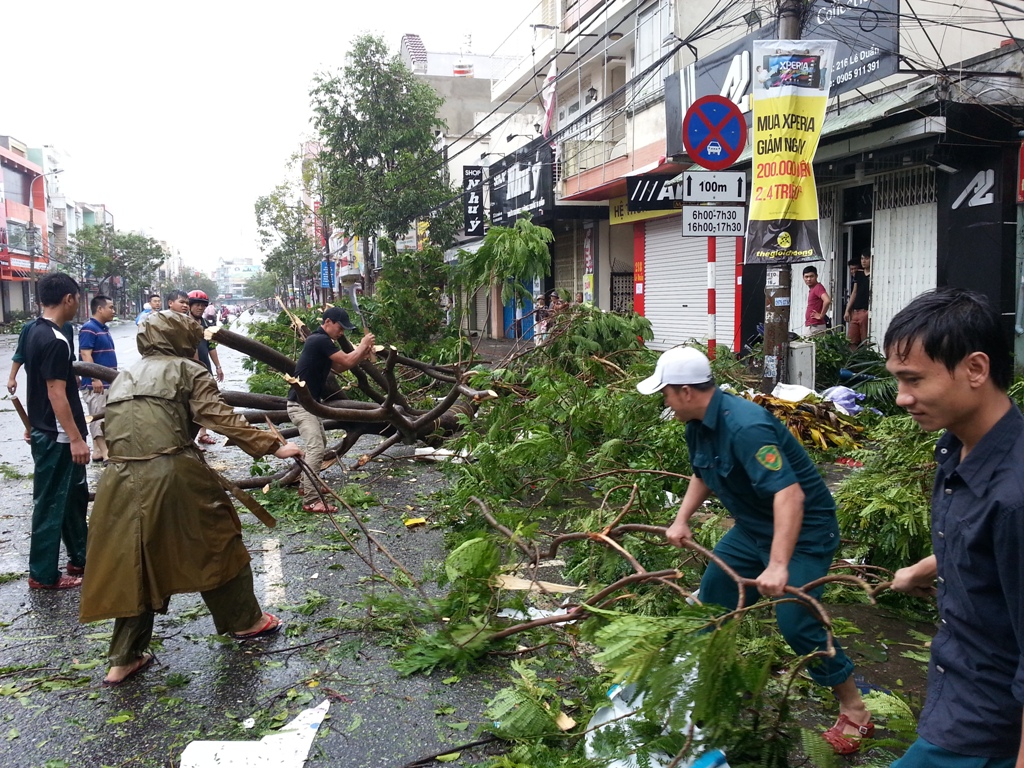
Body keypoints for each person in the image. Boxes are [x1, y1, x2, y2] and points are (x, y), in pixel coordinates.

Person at [637, 346, 872, 754]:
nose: (664, 400)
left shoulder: (746, 427)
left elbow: (790, 497)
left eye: (666, 392)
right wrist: (681, 518)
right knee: (712, 602)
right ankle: (711, 689)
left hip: (804, 534)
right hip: (752, 530)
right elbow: (703, 471)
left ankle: (855, 710)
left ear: (687, 391)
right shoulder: (696, 423)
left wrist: (779, 564)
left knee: (797, 624)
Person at [79, 310, 303, 686]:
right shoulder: (187, 370)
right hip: (172, 471)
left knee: (135, 561)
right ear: (183, 337)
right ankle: (247, 622)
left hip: (118, 479)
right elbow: (219, 416)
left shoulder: (125, 376)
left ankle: (123, 659)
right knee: (217, 542)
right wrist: (274, 445)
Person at [883, 289, 1023, 767]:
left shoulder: (1015, 497)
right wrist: (925, 568)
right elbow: (991, 551)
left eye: (913, 380)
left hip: (984, 730)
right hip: (957, 698)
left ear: (976, 370)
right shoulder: (957, 451)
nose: (902, 398)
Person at [22, 273, 90, 590]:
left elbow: (32, 383)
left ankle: (81, 557)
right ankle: (43, 575)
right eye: (76, 299)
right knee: (50, 503)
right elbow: (54, 393)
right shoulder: (54, 340)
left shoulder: (34, 331)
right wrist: (75, 438)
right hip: (58, 435)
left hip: (46, 428)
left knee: (73, 497)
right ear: (68, 299)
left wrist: (33, 423)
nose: (77, 305)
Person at [286, 307, 375, 513]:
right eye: (340, 327)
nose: (342, 332)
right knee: (316, 447)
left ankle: (305, 486)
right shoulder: (319, 340)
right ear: (327, 322)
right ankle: (310, 500)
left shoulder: (324, 343)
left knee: (320, 443)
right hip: (299, 405)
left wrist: (361, 354)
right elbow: (346, 360)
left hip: (308, 404)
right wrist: (362, 346)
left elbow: (339, 367)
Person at [79, 295, 118, 464]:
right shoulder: (89, 328)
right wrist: (95, 377)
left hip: (107, 381)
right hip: (97, 384)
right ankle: (106, 453)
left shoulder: (103, 328)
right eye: (110, 307)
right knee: (98, 417)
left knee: (107, 416)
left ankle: (98, 452)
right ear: (100, 309)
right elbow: (85, 354)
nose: (113, 311)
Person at [186, 290, 224, 447]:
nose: (200, 308)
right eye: (197, 305)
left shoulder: (206, 324)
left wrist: (218, 367)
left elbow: (211, 346)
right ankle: (188, 438)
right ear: (190, 306)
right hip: (188, 370)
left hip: (204, 368)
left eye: (203, 305)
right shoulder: (183, 324)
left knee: (205, 401)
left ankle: (203, 433)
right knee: (188, 403)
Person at [844, 253, 871, 348]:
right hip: (856, 311)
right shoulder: (858, 274)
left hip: (865, 311)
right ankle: (853, 361)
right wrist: (847, 310)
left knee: (865, 340)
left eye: (866, 258)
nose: (863, 261)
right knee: (851, 340)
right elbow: (854, 293)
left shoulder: (873, 275)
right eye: (862, 258)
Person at [803, 265, 831, 335]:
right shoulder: (813, 289)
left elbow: (827, 300)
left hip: (815, 326)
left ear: (816, 276)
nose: (809, 279)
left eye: (811, 276)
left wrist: (821, 315)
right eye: (806, 277)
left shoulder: (818, 287)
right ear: (803, 278)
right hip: (813, 326)